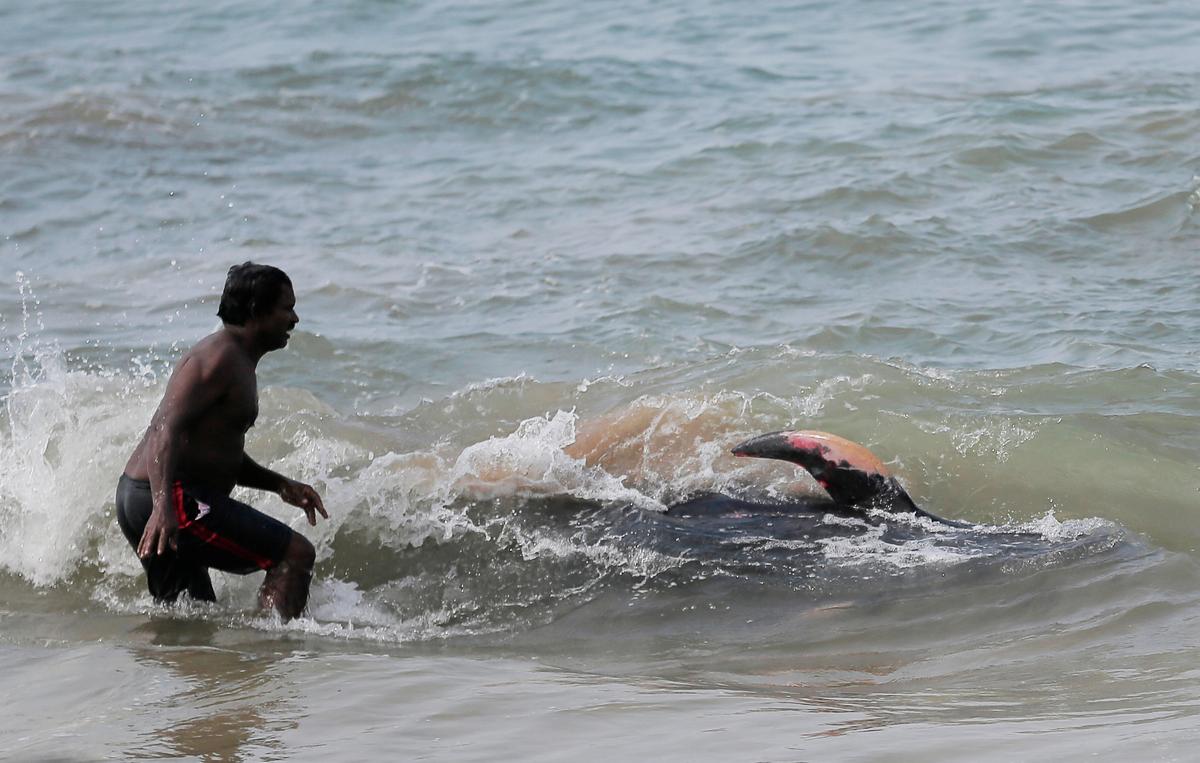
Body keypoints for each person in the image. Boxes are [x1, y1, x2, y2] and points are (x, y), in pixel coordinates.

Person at [116, 262, 328, 620]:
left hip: (152, 495)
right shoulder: (217, 359)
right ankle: (271, 652)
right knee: (294, 555)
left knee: (188, 620)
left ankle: (215, 668)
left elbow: (212, 450)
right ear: (257, 311)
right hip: (167, 497)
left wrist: (278, 484)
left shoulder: (237, 360)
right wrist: (163, 503)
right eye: (287, 308)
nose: (295, 319)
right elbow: (163, 429)